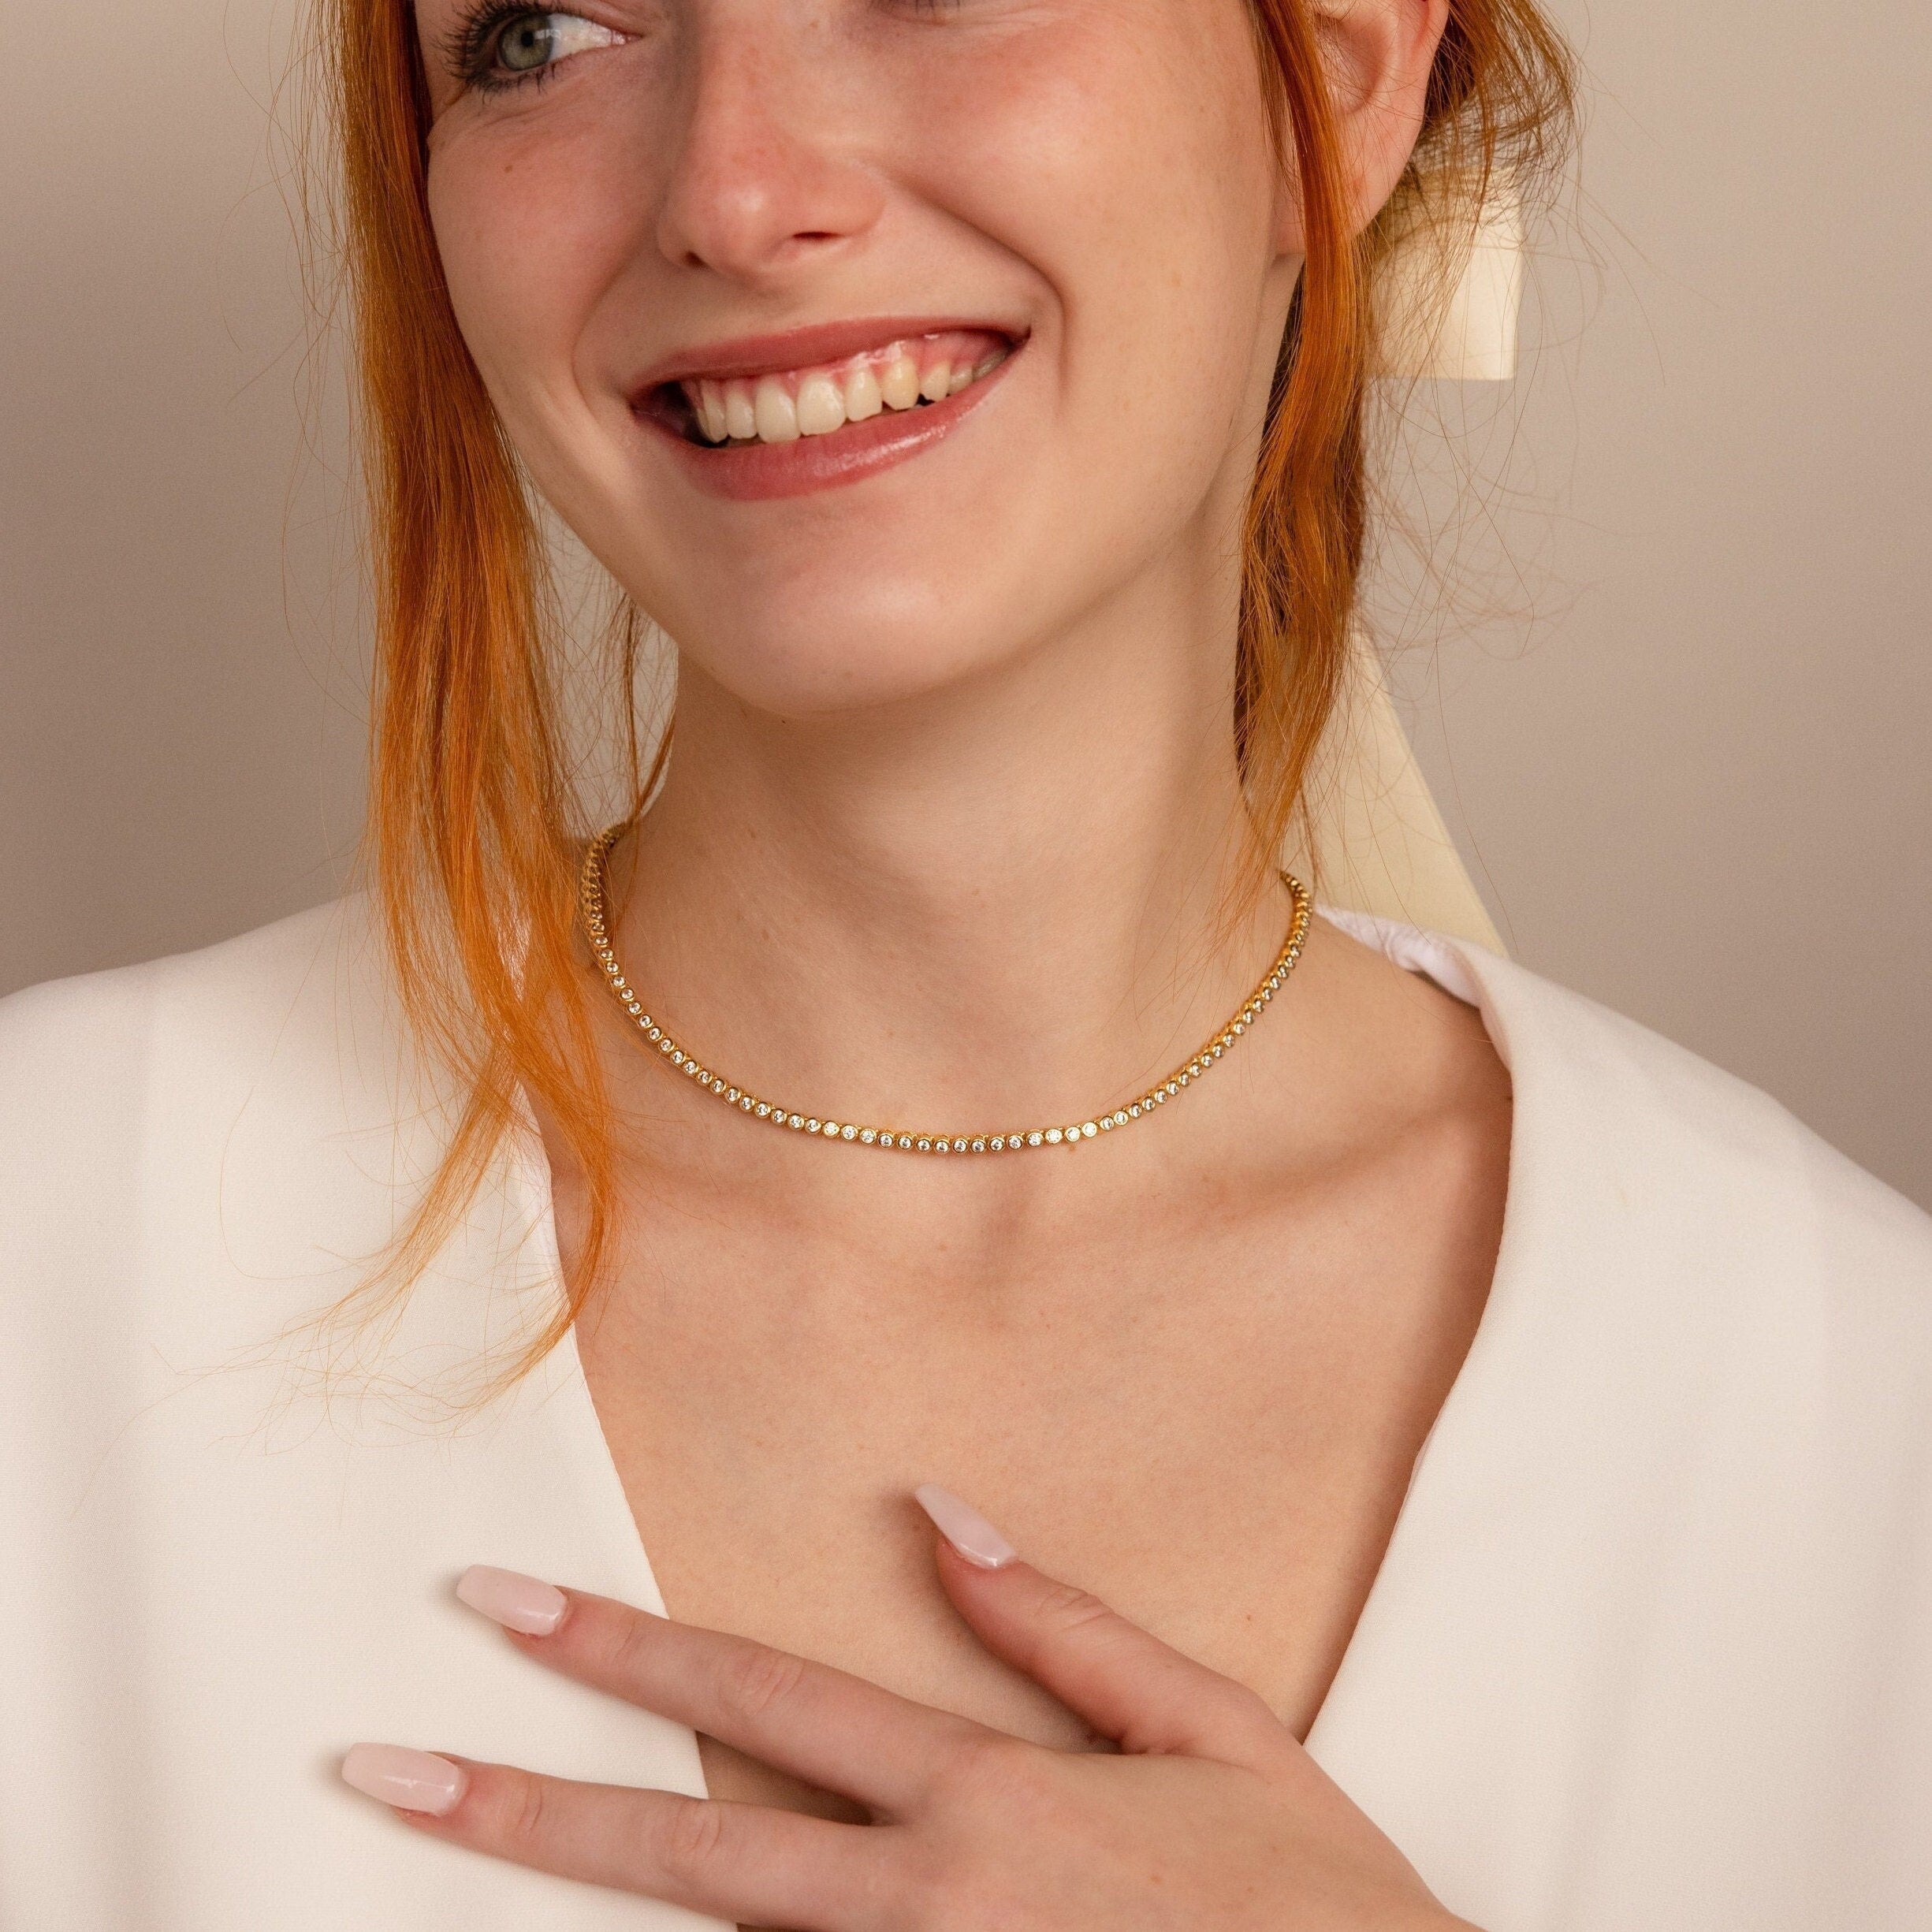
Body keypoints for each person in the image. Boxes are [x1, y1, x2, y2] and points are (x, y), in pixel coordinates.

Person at [2, 0, 1927, 1926]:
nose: (734, 197)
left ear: (1338, 71)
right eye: (537, 31)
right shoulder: (49, 1244)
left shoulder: (1848, 1417)